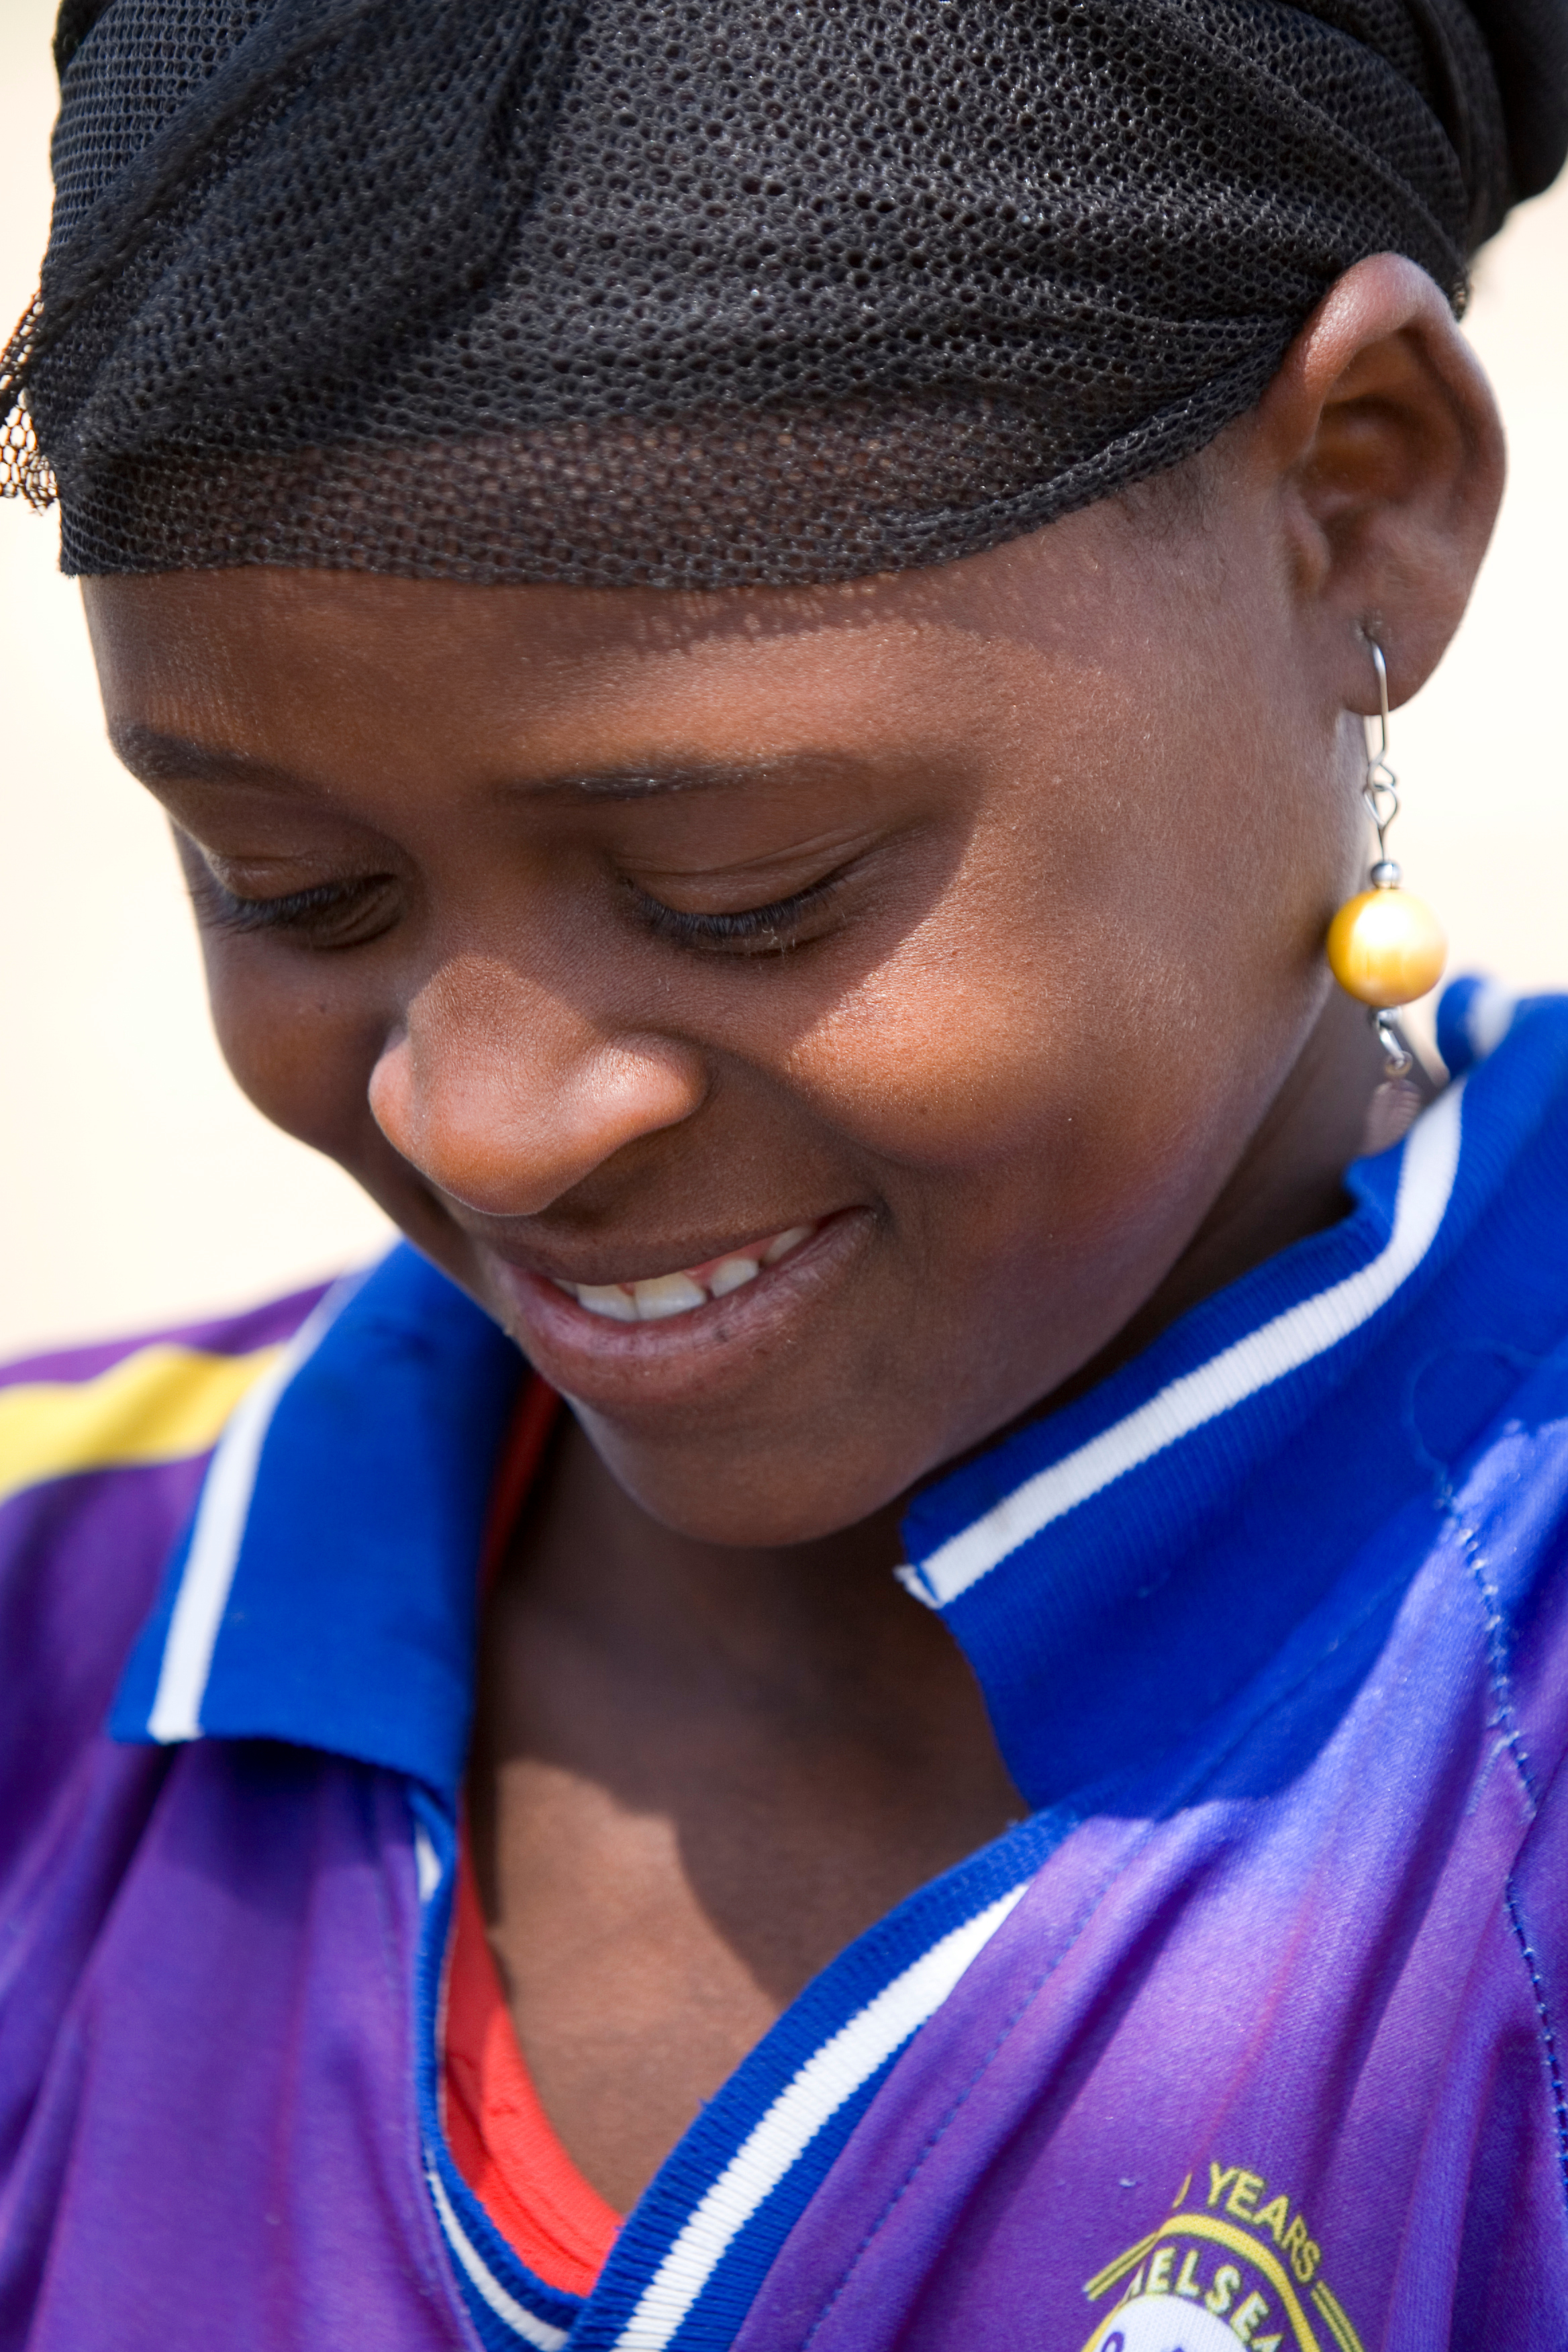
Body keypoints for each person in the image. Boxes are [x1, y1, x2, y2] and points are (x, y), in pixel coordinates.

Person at [3, 0, 1567, 2345]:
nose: (485, 1118)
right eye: (292, 884)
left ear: (1360, 490)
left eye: (745, 889)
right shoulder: (53, 1620)